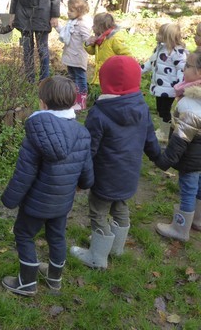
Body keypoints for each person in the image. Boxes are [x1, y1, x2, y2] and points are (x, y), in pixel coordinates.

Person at [1, 76, 93, 296]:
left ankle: (27, 282)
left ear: (42, 103)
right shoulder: (82, 133)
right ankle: (54, 278)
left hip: (36, 203)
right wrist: (84, 184)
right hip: (62, 201)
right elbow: (86, 169)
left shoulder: (36, 133)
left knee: (24, 234)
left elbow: (24, 173)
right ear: (73, 102)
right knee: (57, 236)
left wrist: (9, 199)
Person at [70, 56, 160, 269]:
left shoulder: (99, 112)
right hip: (129, 174)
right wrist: (160, 158)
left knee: (98, 212)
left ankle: (97, 256)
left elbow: (89, 150)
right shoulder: (142, 107)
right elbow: (150, 139)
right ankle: (116, 247)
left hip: (104, 177)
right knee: (120, 206)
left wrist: (80, 178)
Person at [154, 51, 201, 242]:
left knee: (188, 190)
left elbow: (180, 140)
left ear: (199, 72)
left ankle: (180, 229)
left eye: (188, 66)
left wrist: (164, 160)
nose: (184, 68)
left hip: (191, 159)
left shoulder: (190, 105)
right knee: (199, 187)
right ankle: (197, 220)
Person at [141, 23, 187, 143]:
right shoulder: (160, 49)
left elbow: (181, 70)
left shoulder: (177, 53)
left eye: (160, 33)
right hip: (159, 87)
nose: (157, 35)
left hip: (170, 89)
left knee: (165, 110)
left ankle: (165, 133)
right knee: (160, 109)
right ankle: (163, 129)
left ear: (168, 36)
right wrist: (138, 70)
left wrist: (179, 86)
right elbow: (151, 63)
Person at [55, 0, 92, 110]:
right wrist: (57, 26)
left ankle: (81, 102)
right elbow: (64, 33)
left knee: (80, 78)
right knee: (72, 78)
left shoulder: (82, 24)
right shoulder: (71, 23)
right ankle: (72, 99)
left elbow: (86, 39)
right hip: (70, 56)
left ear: (79, 12)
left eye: (71, 10)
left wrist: (91, 41)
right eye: (68, 9)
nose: (68, 12)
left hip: (78, 57)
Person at [84, 12, 131, 86]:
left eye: (94, 25)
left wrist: (119, 68)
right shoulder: (100, 38)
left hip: (111, 76)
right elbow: (92, 52)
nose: (92, 27)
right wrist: (88, 43)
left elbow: (127, 55)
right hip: (100, 76)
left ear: (100, 27)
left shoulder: (114, 39)